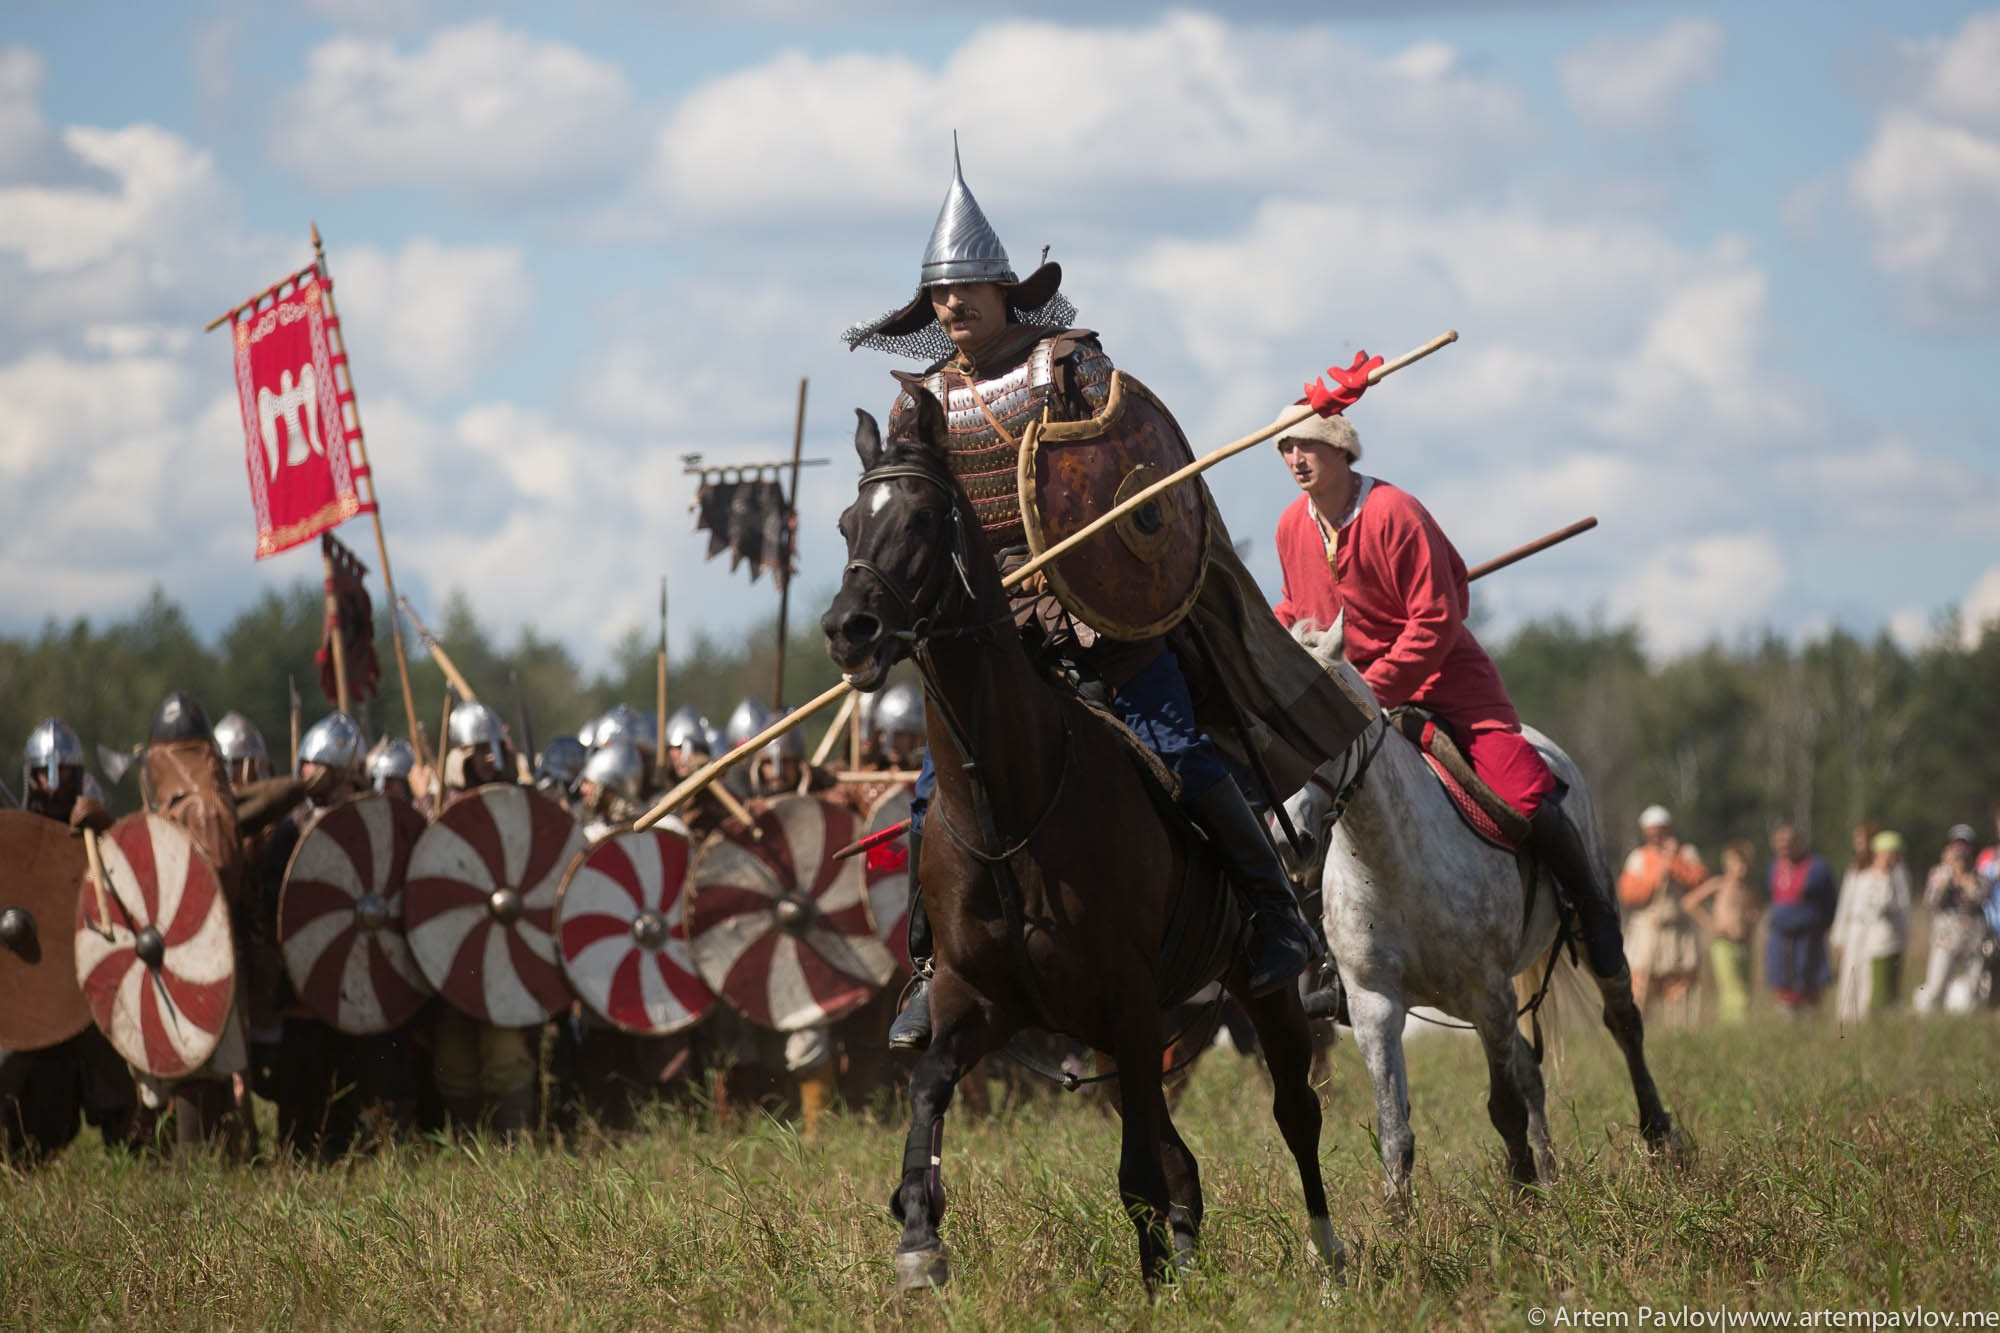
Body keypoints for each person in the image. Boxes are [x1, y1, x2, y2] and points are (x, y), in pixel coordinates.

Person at [846, 145, 1343, 1050]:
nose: (953, 306)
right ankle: (933, 968)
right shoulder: (925, 400)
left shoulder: (1070, 366)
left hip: (1098, 613)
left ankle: (1278, 918)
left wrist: (1107, 546)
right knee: (932, 798)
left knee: (1180, 755)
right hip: (995, 634)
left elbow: (1132, 467)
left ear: (1007, 293)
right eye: (940, 295)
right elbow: (913, 511)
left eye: (969, 290)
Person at [1266, 408, 1639, 997]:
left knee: (1524, 792)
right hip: (1347, 703)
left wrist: (1374, 689)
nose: (1294, 458)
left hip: (1443, 686)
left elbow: (1438, 620)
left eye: (1306, 445)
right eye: (1285, 447)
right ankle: (1336, 955)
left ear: (1341, 450)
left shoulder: (1395, 513)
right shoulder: (1292, 525)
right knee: (1292, 804)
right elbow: (1295, 607)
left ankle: (1591, 912)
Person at [1, 719, 137, 1162]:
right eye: (44, 772)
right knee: (15, 1069)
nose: (53, 783)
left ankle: (133, 1144)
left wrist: (101, 829)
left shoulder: (92, 828)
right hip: (27, 983)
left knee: (112, 1073)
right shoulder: (14, 839)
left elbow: (122, 889)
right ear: (31, 775)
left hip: (86, 979)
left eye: (61, 772)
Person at [430, 700, 539, 1137]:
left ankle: (515, 1145)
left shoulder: (520, 804)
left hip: (506, 949)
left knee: (506, 1052)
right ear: (459, 757)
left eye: (496, 749)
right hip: (450, 948)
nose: (491, 759)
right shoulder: (434, 810)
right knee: (454, 1056)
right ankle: (462, 1150)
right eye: (481, 750)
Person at [1615, 806, 1708, 1027]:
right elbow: (1628, 892)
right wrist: (1656, 876)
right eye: (1652, 832)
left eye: (1661, 831)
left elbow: (1698, 880)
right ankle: (1639, 1028)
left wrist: (1674, 864)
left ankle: (1680, 1029)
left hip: (1678, 930)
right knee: (1641, 982)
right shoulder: (1638, 858)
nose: (1657, 836)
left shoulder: (1686, 854)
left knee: (1681, 981)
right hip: (1649, 929)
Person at [1831, 828, 1911, 1021]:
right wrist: (1839, 934)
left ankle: (1867, 1017)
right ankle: (1847, 1017)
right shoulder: (1856, 869)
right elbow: (1846, 903)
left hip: (1879, 932)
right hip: (1855, 929)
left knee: (1870, 977)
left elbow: (1902, 904)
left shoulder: (1896, 872)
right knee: (1851, 972)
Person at [1914, 824, 1992, 1015]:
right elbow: (1931, 901)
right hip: (1945, 938)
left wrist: (1962, 876)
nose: (1959, 852)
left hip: (1972, 939)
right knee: (1936, 985)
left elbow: (1979, 896)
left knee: (1973, 987)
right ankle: (1927, 1018)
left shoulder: (1980, 877)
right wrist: (1945, 878)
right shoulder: (1939, 874)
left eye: (1964, 846)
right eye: (1955, 846)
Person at [1685, 839, 1762, 1025]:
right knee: (1734, 992)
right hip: (1723, 944)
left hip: (1743, 943)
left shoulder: (1749, 890)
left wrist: (1752, 923)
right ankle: (1735, 1026)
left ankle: (1734, 1025)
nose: (1741, 868)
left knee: (1745, 988)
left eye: (1745, 864)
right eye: (1737, 863)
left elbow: (1756, 910)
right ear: (1728, 864)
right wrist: (1712, 925)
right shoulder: (1719, 884)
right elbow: (1689, 903)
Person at [1765, 822, 1837, 1015]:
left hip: (1808, 936)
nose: (1784, 846)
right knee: (1783, 983)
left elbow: (1830, 901)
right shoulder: (1774, 868)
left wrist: (1825, 924)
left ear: (1799, 842)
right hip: (1781, 936)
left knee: (1808, 981)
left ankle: (1811, 1019)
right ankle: (1788, 1019)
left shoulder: (1817, 867)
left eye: (1789, 841)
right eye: (1780, 842)